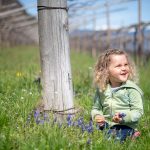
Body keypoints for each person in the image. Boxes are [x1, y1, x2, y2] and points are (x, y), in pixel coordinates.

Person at [91, 49, 144, 142]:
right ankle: (127, 136)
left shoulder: (131, 89)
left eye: (126, 64)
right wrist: (97, 116)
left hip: (125, 125)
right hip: (106, 124)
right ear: (106, 70)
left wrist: (123, 117)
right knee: (91, 133)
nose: (124, 68)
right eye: (118, 66)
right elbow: (96, 108)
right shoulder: (102, 89)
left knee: (113, 139)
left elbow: (138, 111)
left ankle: (132, 135)